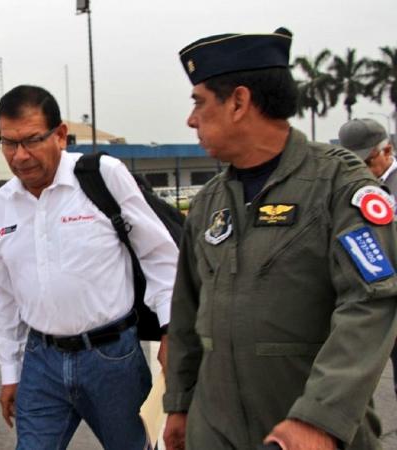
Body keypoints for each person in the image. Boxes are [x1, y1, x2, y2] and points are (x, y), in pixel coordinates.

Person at [163, 28, 397, 450]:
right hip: (214, 431)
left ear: (238, 102)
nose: (191, 119)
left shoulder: (339, 187)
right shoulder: (209, 202)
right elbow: (186, 312)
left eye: (199, 102)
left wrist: (319, 419)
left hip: (306, 435)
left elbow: (371, 303)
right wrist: (179, 404)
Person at [0, 85, 178, 449]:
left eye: (32, 140)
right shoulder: (1, 206)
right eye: (8, 143)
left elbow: (159, 255)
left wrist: (171, 332)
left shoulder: (102, 176)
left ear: (60, 135)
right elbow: (1, 296)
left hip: (111, 358)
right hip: (41, 362)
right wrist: (11, 372)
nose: (20, 155)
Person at [339, 118, 397, 401]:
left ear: (387, 150)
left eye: (368, 160)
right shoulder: (350, 185)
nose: (362, 168)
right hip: (376, 297)